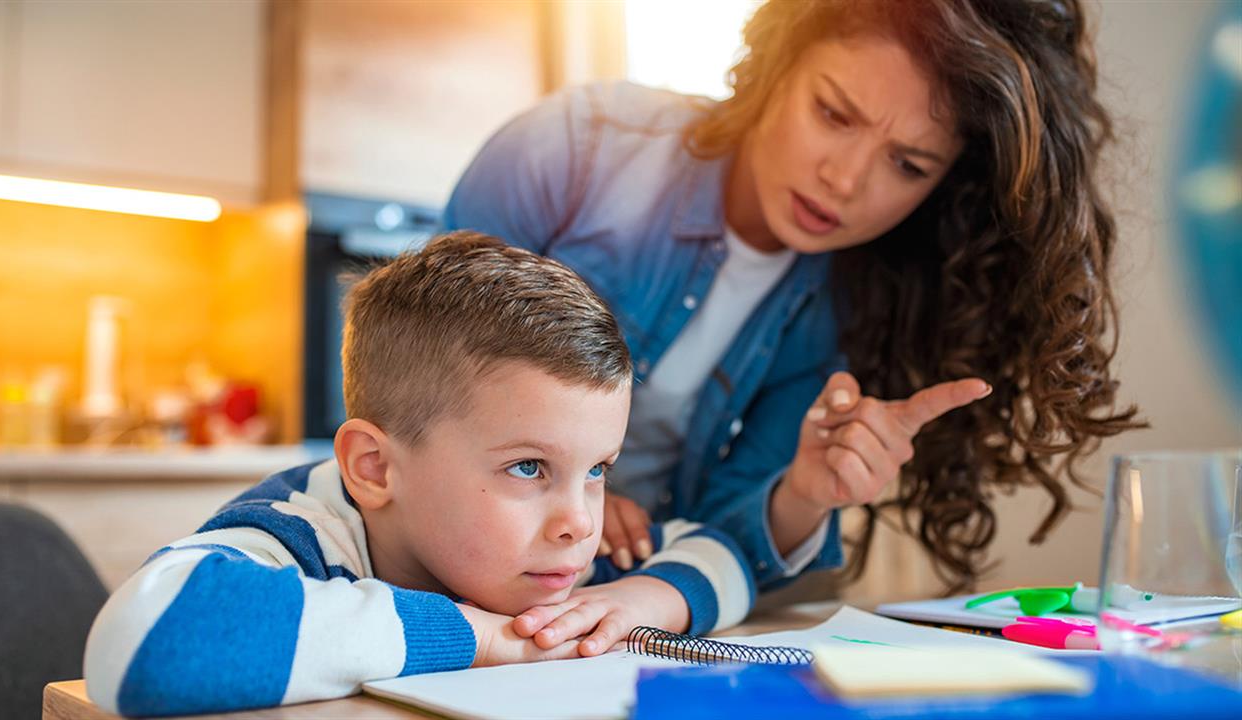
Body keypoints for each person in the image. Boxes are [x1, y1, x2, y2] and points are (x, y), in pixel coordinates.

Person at [443, 0, 1143, 594]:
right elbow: (410, 381)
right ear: (778, 68)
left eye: (906, 164)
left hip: (627, 610)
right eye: (834, 114)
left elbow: (730, 533)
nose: (844, 179)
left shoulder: (852, 308)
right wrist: (576, 497)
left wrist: (809, 493)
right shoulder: (574, 148)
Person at [82, 232, 755, 717]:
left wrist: (640, 601)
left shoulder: (547, 550)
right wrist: (480, 636)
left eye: (599, 469)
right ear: (374, 469)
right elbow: (139, 640)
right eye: (528, 467)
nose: (581, 521)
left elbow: (723, 555)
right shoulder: (300, 533)